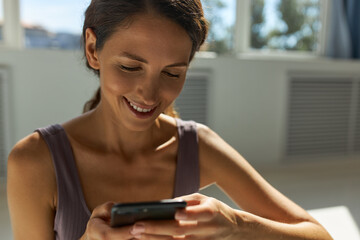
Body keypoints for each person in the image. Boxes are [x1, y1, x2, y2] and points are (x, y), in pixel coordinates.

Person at [7, 0, 333, 239]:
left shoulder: (197, 146)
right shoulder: (35, 161)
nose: (149, 95)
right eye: (130, 67)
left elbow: (318, 235)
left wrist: (236, 225)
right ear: (93, 48)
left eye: (173, 73)